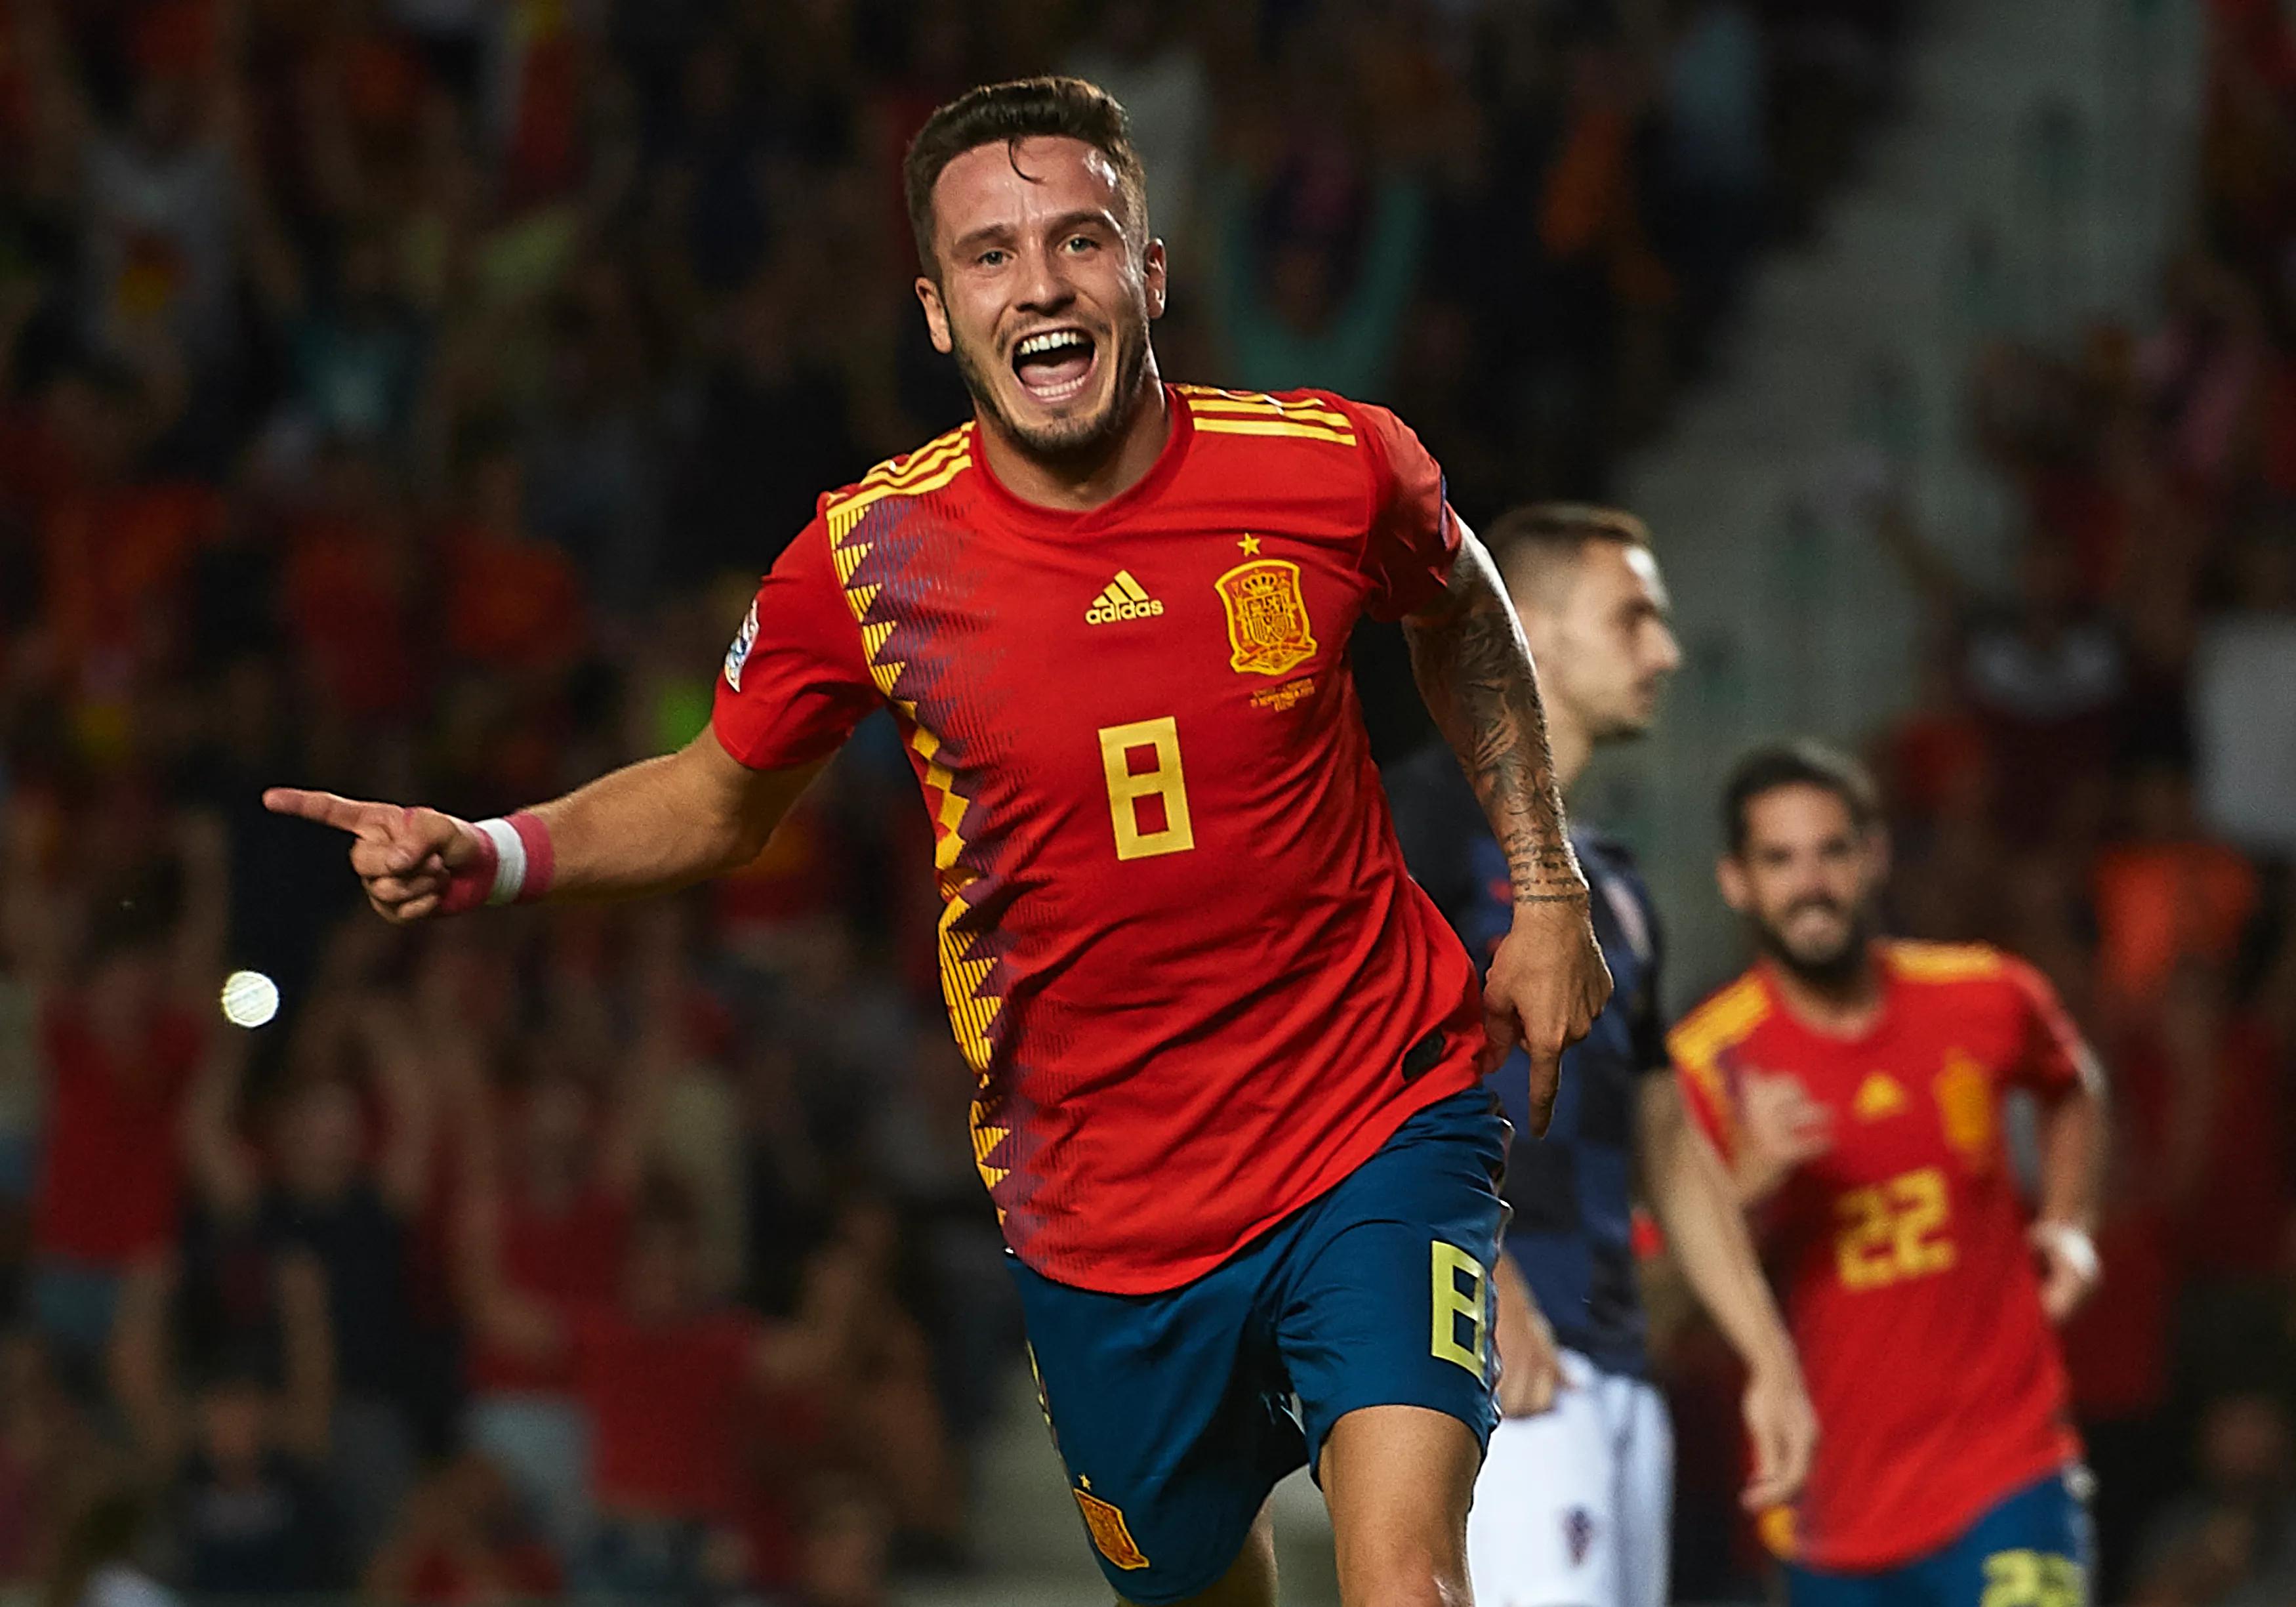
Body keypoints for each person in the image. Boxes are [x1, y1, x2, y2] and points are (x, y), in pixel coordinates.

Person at [265, 74, 1612, 1607]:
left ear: (1150, 273)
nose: (1039, 281)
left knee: (1405, 1583)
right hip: (1102, 1203)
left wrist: (1547, 882)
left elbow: (1463, 608)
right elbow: (722, 796)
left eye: (1081, 239)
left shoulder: (1325, 463)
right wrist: (494, 851)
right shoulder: (867, 558)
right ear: (932, 309)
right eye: (990, 255)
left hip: (1374, 1115)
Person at [1390, 504, 1814, 1607]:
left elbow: (1667, 1134)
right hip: (1493, 1367)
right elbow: (1359, 1066)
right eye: (1633, 619)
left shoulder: (1612, 883)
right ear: (1526, 631)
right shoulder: (1412, 826)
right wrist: (1483, 1270)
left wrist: (1764, 1351)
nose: (1665, 651)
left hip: (1621, 1369)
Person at [1673, 741, 2108, 1604]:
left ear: (1874, 855)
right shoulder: (1704, 1069)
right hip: (1830, 1516)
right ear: (1737, 880)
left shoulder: (1986, 993)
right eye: (1780, 858)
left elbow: (2074, 1083)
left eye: (1833, 850)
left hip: (2010, 1471)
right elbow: (1656, 1298)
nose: (1812, 882)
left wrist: (2071, 1220)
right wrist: (1748, 1181)